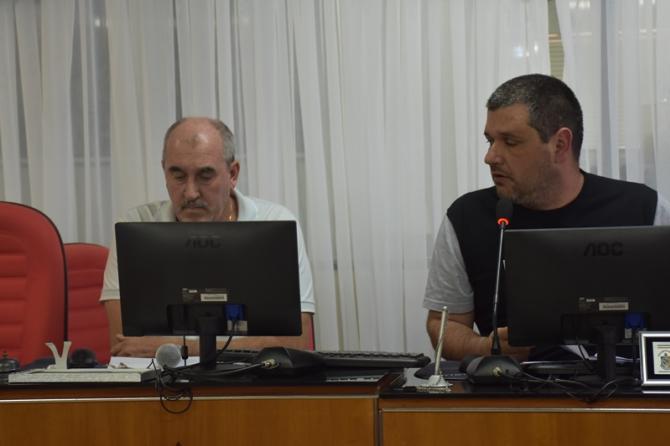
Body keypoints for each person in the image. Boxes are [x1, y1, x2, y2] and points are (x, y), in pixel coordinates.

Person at [423, 74, 670, 362]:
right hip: (514, 385)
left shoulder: (644, 208)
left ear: (560, 144)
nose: (490, 157)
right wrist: (484, 348)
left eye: (510, 142)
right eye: (490, 141)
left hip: (628, 385)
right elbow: (444, 323)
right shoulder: (467, 217)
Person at [101, 117, 315, 357]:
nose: (191, 193)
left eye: (205, 176)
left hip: (250, 377)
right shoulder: (136, 228)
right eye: (178, 175)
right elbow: (126, 347)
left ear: (232, 174)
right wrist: (243, 347)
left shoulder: (275, 223)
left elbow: (295, 342)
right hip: (163, 379)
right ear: (164, 172)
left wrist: (182, 349)